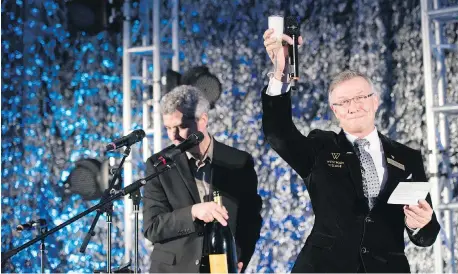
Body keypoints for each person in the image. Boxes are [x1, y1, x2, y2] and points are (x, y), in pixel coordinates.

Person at [261, 29, 440, 273]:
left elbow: (427, 236)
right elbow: (278, 134)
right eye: (343, 102)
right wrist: (281, 72)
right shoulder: (320, 148)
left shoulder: (407, 158)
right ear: (335, 111)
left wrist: (421, 223)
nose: (353, 106)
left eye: (360, 97)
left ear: (375, 101)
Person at [142, 85, 262, 273]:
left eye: (181, 127)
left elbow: (250, 220)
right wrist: (193, 212)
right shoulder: (158, 165)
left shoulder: (239, 162)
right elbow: (152, 227)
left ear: (203, 120)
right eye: (168, 128)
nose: (173, 136)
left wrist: (240, 256)